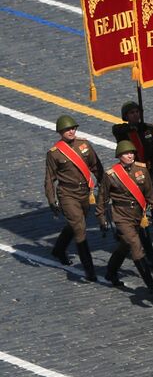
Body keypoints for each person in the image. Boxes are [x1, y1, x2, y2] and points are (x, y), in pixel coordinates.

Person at [45, 114, 102, 282]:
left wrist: (105, 188)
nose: (71, 131)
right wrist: (51, 199)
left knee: (76, 222)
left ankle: (59, 249)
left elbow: (96, 166)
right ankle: (89, 269)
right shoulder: (54, 153)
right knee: (79, 228)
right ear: (60, 132)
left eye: (73, 128)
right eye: (67, 129)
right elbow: (49, 178)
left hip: (85, 193)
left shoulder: (85, 145)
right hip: (67, 194)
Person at [96, 140, 153, 293]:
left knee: (125, 246)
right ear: (119, 156)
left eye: (131, 153)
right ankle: (151, 284)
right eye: (126, 153)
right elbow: (102, 197)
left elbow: (149, 193)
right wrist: (101, 217)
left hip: (139, 214)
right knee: (136, 245)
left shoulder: (142, 170)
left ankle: (111, 272)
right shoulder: (111, 175)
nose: (130, 155)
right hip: (122, 216)